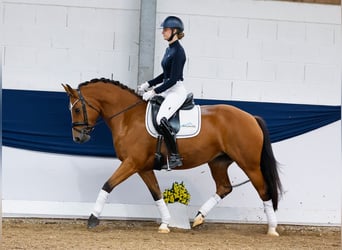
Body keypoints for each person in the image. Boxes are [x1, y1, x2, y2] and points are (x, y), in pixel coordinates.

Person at [138, 16, 187, 169]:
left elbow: (172, 79)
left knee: (161, 118)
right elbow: (164, 74)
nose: (162, 33)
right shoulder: (169, 49)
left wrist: (154, 92)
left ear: (175, 31)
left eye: (165, 30)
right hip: (167, 89)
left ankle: (174, 155)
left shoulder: (179, 52)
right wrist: (148, 83)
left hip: (176, 91)